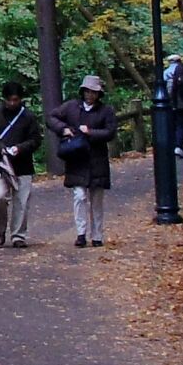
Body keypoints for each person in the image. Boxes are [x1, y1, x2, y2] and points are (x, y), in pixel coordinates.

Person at [55, 76, 119, 246]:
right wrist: (64, 129)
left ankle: (97, 235)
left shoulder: (106, 111)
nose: (90, 95)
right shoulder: (71, 107)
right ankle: (81, 233)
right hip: (77, 159)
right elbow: (52, 118)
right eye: (88, 91)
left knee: (96, 199)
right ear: (83, 91)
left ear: (99, 94)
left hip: (97, 159)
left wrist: (90, 132)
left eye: (94, 92)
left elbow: (110, 132)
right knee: (79, 196)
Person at [0, 88, 46, 248]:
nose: (12, 103)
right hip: (0, 163)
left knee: (22, 201)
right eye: (9, 100)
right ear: (4, 99)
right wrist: (1, 148)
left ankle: (18, 235)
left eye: (16, 100)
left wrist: (20, 148)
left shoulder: (28, 117)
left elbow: (35, 139)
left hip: (23, 164)